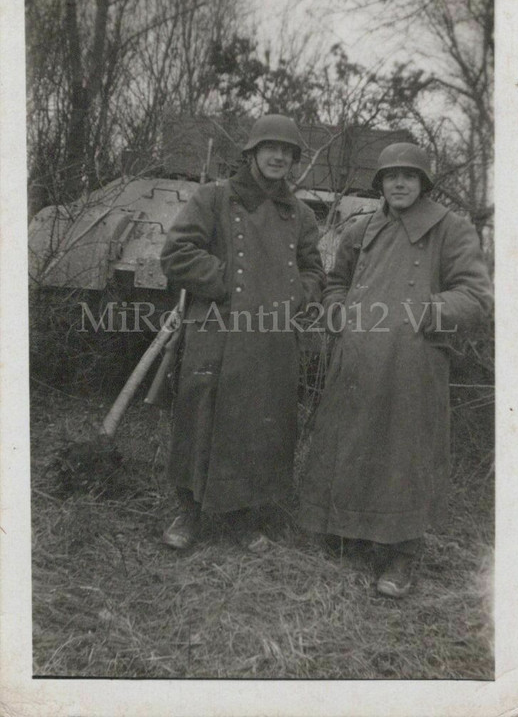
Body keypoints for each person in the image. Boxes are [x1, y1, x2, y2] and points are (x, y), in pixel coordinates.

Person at [298, 142, 493, 597]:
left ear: (423, 183)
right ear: (380, 183)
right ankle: (346, 530)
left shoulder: (451, 229)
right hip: (357, 357)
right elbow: (336, 281)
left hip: (412, 360)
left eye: (409, 176)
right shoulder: (362, 228)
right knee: (350, 441)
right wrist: (338, 314)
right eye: (391, 176)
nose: (399, 183)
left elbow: (476, 296)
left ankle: (401, 553)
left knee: (405, 452)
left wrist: (424, 311)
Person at [160, 114, 324, 552]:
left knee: (261, 425)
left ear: (293, 160)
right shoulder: (214, 198)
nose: (278, 157)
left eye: (287, 151)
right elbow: (177, 254)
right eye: (270, 148)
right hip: (217, 329)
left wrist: (294, 295)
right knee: (202, 416)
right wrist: (230, 282)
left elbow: (314, 270)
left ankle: (245, 516)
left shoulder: (301, 214)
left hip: (272, 337)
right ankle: (189, 512)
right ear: (252, 153)